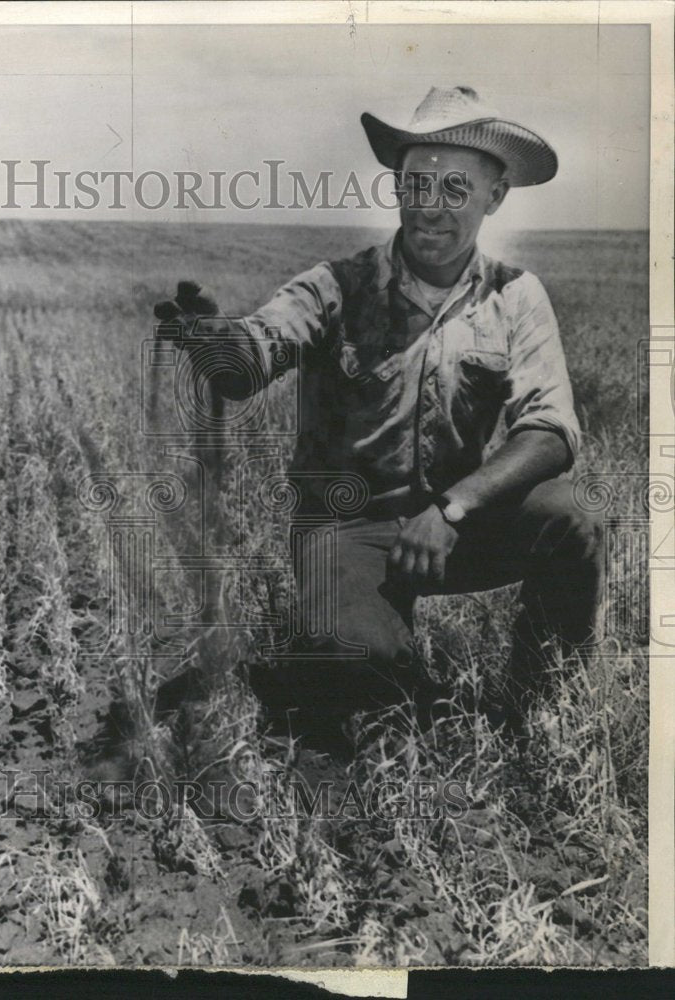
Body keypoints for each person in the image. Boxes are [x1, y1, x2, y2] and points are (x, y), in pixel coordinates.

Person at [153, 86, 603, 734]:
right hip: (347, 530)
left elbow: (552, 431)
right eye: (417, 183)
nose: (430, 206)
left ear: (494, 197)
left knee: (573, 515)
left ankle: (537, 706)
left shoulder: (515, 296)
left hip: (449, 523)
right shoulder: (335, 285)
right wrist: (217, 344)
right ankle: (352, 653)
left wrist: (453, 507)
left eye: (454, 188)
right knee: (366, 698)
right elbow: (255, 353)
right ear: (396, 185)